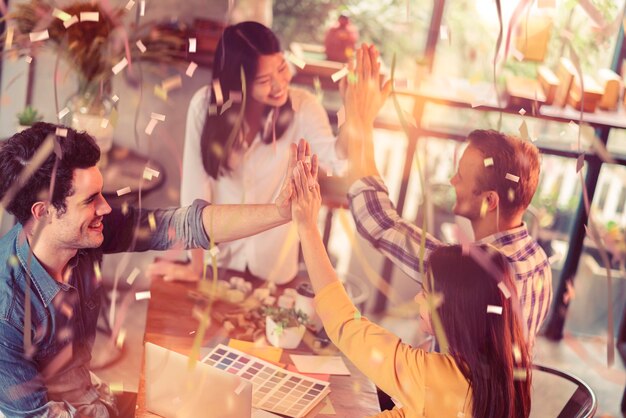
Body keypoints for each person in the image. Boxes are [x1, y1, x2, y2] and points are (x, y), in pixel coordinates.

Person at [0, 122, 311, 417]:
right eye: (91, 200)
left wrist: (279, 212)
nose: (106, 208)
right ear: (43, 213)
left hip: (93, 398)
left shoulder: (78, 237)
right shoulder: (6, 313)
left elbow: (180, 225)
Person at [344, 44, 551, 347]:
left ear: (490, 201)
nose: (452, 180)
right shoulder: (538, 261)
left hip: (452, 395)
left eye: (462, 177)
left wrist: (360, 121)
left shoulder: (470, 275)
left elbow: (378, 222)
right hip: (504, 396)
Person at [290, 158, 532, 417]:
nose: (418, 298)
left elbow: (346, 325)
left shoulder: (431, 376)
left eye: (427, 293)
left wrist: (307, 227)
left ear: (455, 311)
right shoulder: (509, 375)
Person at [148, 21, 348, 284]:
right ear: (237, 83)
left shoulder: (304, 107)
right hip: (217, 261)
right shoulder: (203, 107)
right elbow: (194, 194)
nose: (279, 85)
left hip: (274, 270)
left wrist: (355, 116)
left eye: (281, 68)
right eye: (264, 80)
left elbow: (339, 160)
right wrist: (195, 268)